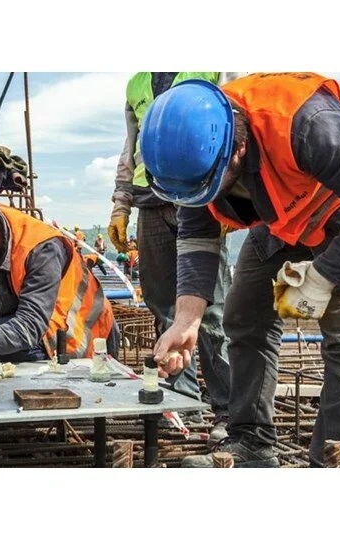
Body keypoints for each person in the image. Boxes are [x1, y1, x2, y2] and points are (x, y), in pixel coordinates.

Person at [141, 73, 340, 467]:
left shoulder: (309, 124)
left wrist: (324, 277)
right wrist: (187, 319)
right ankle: (250, 443)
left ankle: (334, 467)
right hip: (285, 212)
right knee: (244, 315)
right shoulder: (192, 154)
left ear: (236, 152)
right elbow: (198, 234)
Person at [108, 72, 241, 440]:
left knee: (211, 312)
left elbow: (236, 123)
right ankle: (184, 403)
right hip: (150, 198)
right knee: (163, 307)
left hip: (202, 193)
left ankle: (229, 410)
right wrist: (121, 203)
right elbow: (130, 146)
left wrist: (227, 201)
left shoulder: (213, 68)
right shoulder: (135, 82)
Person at [0, 192, 119, 363]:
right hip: (20, 321)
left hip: (78, 334)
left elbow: (29, 327)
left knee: (16, 352)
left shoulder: (42, 249)